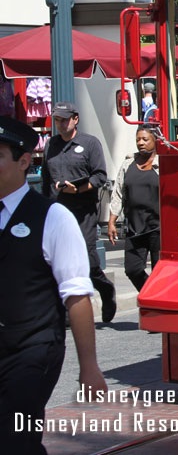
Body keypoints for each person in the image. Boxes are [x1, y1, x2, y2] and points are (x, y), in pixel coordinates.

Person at [0, 116, 107, 454]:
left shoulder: (53, 217)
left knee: (15, 438)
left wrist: (88, 366)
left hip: (33, 350)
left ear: (24, 162)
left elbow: (76, 294)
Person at [40, 102, 116, 322]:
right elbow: (46, 179)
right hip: (57, 211)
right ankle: (63, 312)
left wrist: (78, 189)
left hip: (84, 211)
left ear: (75, 119)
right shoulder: (50, 145)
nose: (60, 124)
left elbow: (100, 177)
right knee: (56, 261)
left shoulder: (90, 143)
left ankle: (105, 288)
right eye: (57, 120)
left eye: (64, 119)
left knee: (87, 260)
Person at [107, 126, 159, 292]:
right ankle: (150, 294)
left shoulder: (162, 164)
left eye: (145, 139)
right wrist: (111, 221)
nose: (141, 143)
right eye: (138, 140)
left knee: (159, 273)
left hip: (158, 229)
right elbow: (118, 194)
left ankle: (156, 305)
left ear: (155, 140)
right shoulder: (128, 164)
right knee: (132, 269)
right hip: (135, 228)